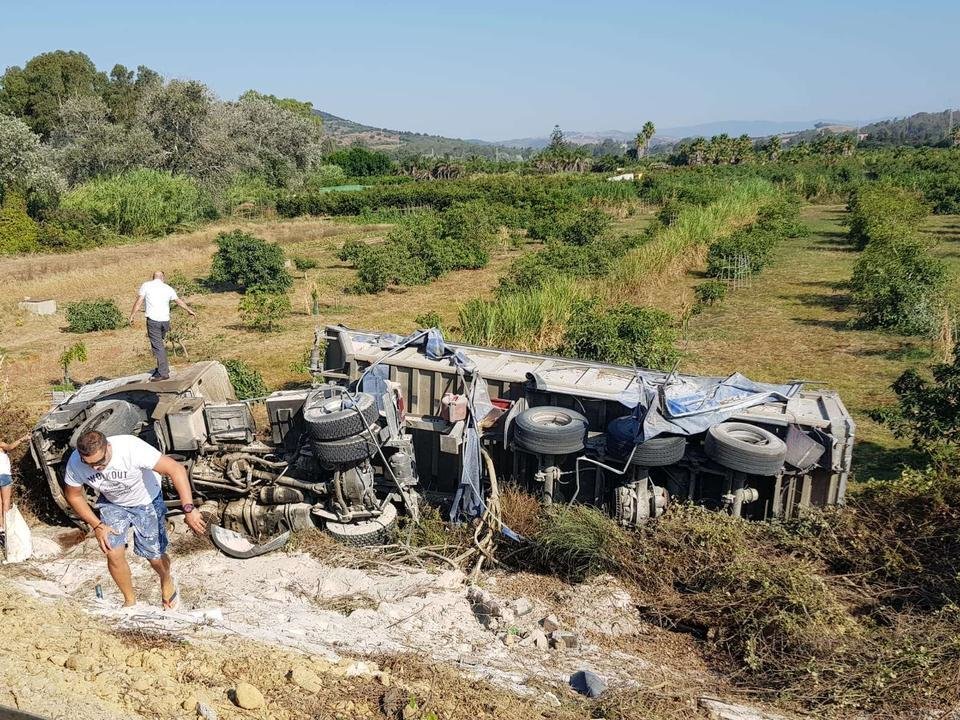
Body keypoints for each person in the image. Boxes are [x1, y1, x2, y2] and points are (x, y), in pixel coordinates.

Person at [63, 430, 206, 609]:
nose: (96, 468)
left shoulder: (131, 447)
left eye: (100, 462)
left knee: (154, 557)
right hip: (112, 503)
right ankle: (130, 601)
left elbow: (175, 469)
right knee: (112, 552)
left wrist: (189, 509)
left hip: (146, 500)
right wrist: (97, 525)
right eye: (89, 464)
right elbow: (73, 496)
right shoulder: (76, 462)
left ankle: (166, 579)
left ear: (108, 447)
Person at [129, 271, 196, 381]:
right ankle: (163, 367)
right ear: (162, 278)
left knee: (157, 346)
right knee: (159, 344)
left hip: (153, 321)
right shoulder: (168, 288)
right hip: (165, 321)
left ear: (153, 277)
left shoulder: (146, 285)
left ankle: (163, 373)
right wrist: (189, 310)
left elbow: (139, 301)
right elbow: (178, 301)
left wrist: (132, 315)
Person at [0, 433, 31, 540]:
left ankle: (1, 528)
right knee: (6, 502)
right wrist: (22, 439)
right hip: (4, 476)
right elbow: (10, 447)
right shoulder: (0, 444)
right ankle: (8, 527)